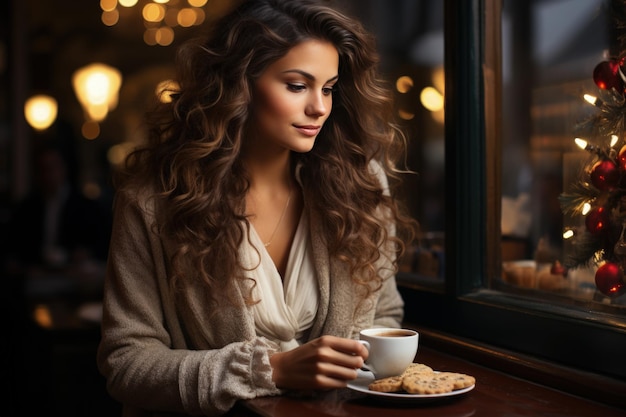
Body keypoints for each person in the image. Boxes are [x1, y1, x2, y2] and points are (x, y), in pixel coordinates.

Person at [97, 0, 418, 415]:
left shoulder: (361, 185)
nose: (319, 107)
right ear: (239, 84)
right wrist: (269, 371)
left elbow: (385, 315)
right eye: (297, 85)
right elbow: (126, 363)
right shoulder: (156, 201)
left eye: (328, 88)